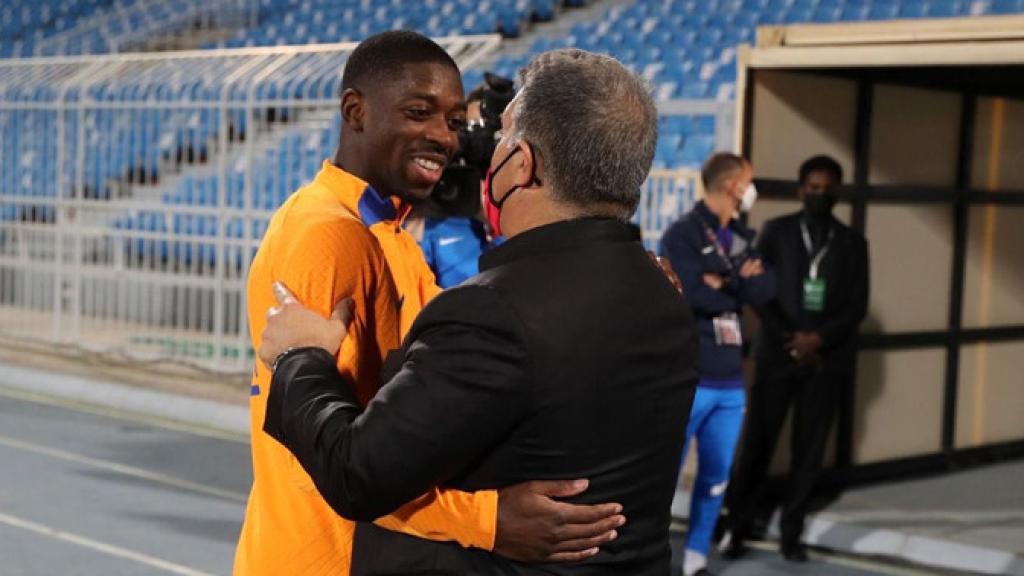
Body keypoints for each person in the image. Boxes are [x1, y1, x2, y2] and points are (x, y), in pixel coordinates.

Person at [258, 48, 699, 575]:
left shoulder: (494, 312)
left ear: (524, 162)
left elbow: (359, 471)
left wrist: (299, 356)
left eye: (498, 138)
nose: (463, 146)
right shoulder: (663, 291)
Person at [722, 154, 869, 562]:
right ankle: (737, 526)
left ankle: (791, 531)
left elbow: (856, 306)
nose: (820, 195)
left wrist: (817, 340)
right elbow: (757, 287)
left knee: (809, 451)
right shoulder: (777, 231)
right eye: (814, 188)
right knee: (758, 445)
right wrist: (791, 337)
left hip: (824, 361)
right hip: (778, 356)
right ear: (802, 189)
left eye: (828, 189)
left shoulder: (854, 243)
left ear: (837, 192)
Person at [658, 152, 776, 576]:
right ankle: (655, 558)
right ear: (733, 186)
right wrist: (737, 284)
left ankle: (695, 559)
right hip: (692, 375)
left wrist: (726, 282)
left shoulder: (742, 236)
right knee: (664, 477)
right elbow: (690, 292)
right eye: (749, 181)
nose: (752, 189)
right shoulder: (682, 234)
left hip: (730, 380)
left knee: (715, 477)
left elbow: (766, 288)